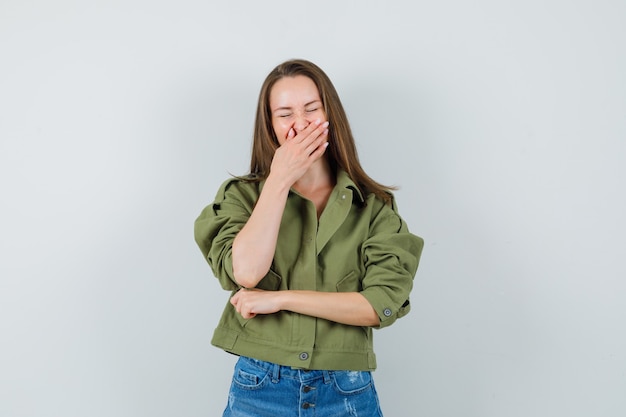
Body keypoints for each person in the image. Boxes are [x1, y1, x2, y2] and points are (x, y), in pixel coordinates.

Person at [194, 59, 424, 416]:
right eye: (284, 114)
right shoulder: (241, 198)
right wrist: (279, 179)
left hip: (346, 390)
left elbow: (379, 305)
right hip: (259, 388)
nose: (300, 124)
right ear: (270, 126)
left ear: (330, 113)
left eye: (311, 109)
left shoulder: (374, 207)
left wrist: (281, 299)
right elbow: (246, 274)